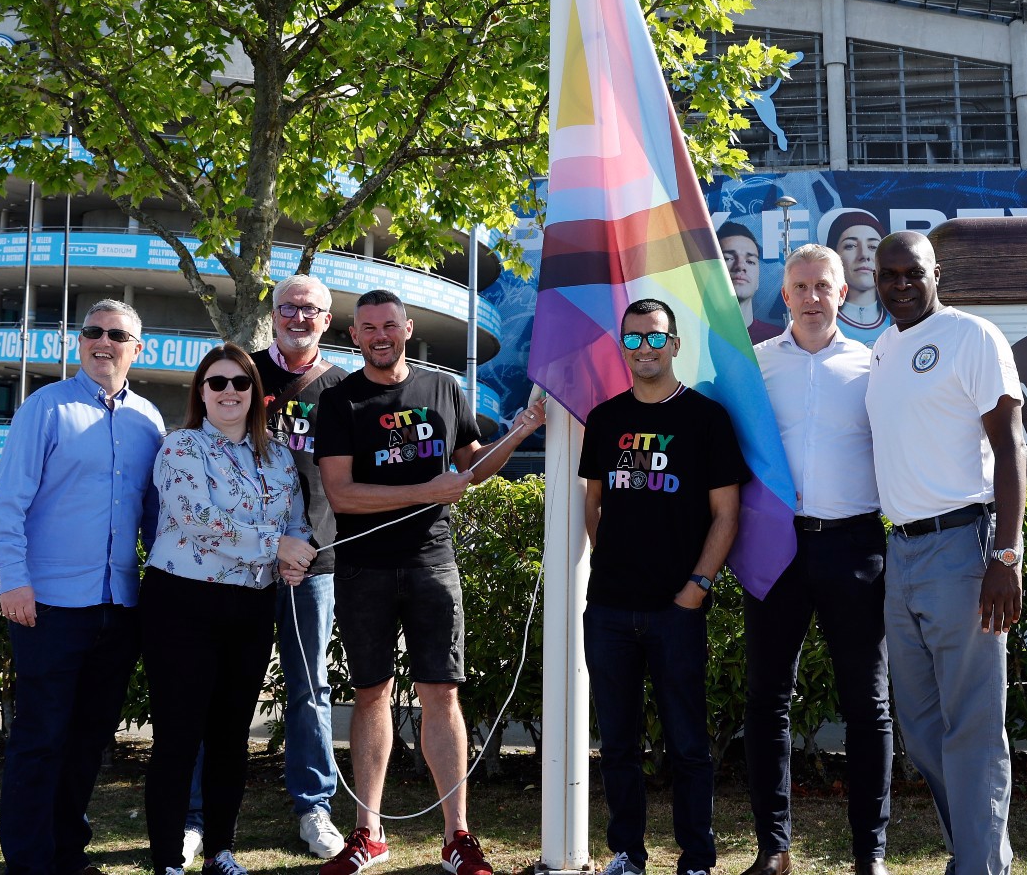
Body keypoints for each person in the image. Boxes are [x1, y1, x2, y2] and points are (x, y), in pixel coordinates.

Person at [313, 289, 546, 875]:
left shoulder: (443, 388)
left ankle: (457, 836)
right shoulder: (338, 400)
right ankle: (367, 833)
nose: (380, 335)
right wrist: (427, 490)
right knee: (372, 694)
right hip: (363, 567)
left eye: (389, 325)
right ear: (355, 335)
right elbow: (341, 493)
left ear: (408, 327)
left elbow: (468, 466)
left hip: (430, 563)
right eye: (368, 328)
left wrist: (519, 432)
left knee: (441, 693)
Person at [864, 231, 1026, 875]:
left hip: (965, 545)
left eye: (913, 273)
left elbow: (1012, 444)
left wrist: (1006, 556)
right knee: (924, 730)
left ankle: (978, 866)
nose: (900, 284)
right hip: (900, 553)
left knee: (975, 725)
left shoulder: (973, 337)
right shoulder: (881, 349)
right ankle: (981, 853)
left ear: (938, 274)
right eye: (888, 275)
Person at [0, 300, 165, 875]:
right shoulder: (45, 408)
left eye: (117, 334)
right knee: (40, 740)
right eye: (92, 332)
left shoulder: (150, 422)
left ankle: (67, 854)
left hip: (119, 608)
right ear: (79, 342)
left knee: (88, 742)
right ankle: (31, 862)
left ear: (139, 348)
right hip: (49, 606)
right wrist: (14, 581)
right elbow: (6, 501)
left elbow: (156, 519)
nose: (102, 342)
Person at [577, 298, 745, 875]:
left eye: (655, 338)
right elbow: (593, 505)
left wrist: (697, 585)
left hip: (678, 608)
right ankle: (627, 852)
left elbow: (727, 513)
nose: (644, 348)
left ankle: (696, 857)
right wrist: (614, 565)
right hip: (609, 611)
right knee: (618, 743)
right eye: (633, 339)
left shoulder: (706, 419)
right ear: (621, 346)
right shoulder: (604, 419)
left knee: (688, 743)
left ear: (675, 345)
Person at [142, 345, 319, 875]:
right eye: (216, 383)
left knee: (229, 735)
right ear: (201, 391)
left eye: (240, 383)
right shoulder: (181, 447)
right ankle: (168, 860)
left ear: (255, 393)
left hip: (250, 606)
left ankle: (220, 849)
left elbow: (296, 522)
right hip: (181, 602)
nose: (229, 392)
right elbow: (197, 519)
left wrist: (294, 557)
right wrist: (277, 548)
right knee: (178, 734)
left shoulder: (279, 454)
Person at [744, 245, 892, 875]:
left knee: (867, 705)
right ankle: (774, 850)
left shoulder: (873, 365)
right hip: (776, 546)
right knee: (766, 702)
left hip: (855, 546)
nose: (810, 297)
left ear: (843, 292)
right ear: (785, 295)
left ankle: (870, 855)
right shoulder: (752, 369)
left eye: (821, 287)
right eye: (799, 287)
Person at [255, 274, 351, 860]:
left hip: (316, 564)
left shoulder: (344, 386)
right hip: (234, 562)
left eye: (310, 309)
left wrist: (308, 548)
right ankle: (197, 815)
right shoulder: (238, 372)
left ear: (326, 318)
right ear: (272, 312)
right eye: (288, 307)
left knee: (310, 688)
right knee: (216, 688)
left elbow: (356, 478)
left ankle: (314, 808)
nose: (298, 316)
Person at [827, 211, 891, 344]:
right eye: (850, 246)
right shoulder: (822, 326)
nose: (864, 255)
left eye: (873, 247)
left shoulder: (901, 322)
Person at [719, 222, 782, 342]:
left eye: (750, 261)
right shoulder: (693, 339)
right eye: (728, 258)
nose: (740, 266)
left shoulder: (778, 341)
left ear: (758, 279)